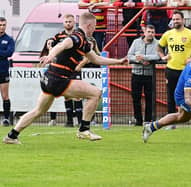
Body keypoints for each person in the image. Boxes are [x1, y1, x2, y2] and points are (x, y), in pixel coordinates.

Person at [3, 12, 128, 144]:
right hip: (58, 79)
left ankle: (12, 135)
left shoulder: (84, 42)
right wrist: (50, 55)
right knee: (95, 93)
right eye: (95, 26)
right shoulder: (78, 37)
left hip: (49, 78)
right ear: (90, 25)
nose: (95, 30)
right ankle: (84, 129)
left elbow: (96, 59)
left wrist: (118, 61)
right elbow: (62, 45)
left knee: (39, 111)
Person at [157, 10, 191, 129]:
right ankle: (171, 123)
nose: (175, 21)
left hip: (187, 71)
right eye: (173, 19)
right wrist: (163, 57)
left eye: (177, 19)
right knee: (171, 96)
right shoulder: (168, 34)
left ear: (183, 20)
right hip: (171, 69)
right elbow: (159, 46)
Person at [49, 14, 84, 127]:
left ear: (74, 22)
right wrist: (49, 46)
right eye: (66, 21)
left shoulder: (78, 35)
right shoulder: (58, 36)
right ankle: (69, 121)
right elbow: (51, 46)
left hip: (75, 68)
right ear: (63, 23)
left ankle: (80, 121)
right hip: (64, 70)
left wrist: (81, 64)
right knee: (67, 94)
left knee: (78, 94)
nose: (68, 23)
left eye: (70, 21)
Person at [127, 24, 160, 126]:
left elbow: (158, 56)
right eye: (149, 32)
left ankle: (148, 120)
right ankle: (138, 120)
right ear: (144, 32)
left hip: (150, 75)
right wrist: (140, 61)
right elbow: (129, 56)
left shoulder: (158, 43)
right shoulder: (136, 42)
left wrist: (144, 58)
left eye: (152, 32)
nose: (150, 34)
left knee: (150, 98)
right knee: (135, 98)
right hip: (136, 74)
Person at [0, 17, 15, 127]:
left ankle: (6, 119)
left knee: (5, 96)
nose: (2, 27)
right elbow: (4, 53)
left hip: (3, 70)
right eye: (0, 25)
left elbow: (9, 53)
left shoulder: (9, 39)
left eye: (4, 25)